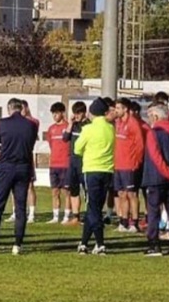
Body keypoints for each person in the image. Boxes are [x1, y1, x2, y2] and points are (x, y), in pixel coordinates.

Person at [0, 97, 39, 254]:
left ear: (10, 108)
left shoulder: (2, 123)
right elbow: (30, 144)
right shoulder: (31, 125)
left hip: (6, 167)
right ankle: (17, 244)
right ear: (21, 108)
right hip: (23, 167)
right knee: (20, 208)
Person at [141, 104, 169, 256]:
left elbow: (156, 156)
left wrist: (168, 174)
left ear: (156, 117)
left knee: (153, 211)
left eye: (150, 116)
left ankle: (154, 245)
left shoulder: (154, 133)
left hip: (156, 177)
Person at [74, 97, 116, 255]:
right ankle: (84, 243)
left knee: (92, 208)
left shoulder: (88, 129)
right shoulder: (111, 128)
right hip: (107, 170)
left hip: (91, 169)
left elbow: (77, 149)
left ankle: (100, 243)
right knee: (96, 207)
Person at [113, 97, 144, 233]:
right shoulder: (118, 123)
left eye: (118, 108)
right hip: (118, 165)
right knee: (121, 194)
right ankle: (123, 221)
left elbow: (140, 145)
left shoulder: (133, 123)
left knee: (132, 194)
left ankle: (134, 222)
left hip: (129, 165)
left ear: (125, 109)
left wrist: (135, 162)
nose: (116, 111)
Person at [62, 101, 88, 224]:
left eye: (79, 113)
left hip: (85, 162)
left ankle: (89, 214)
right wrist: (71, 123)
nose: (77, 115)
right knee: (73, 190)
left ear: (84, 112)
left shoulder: (88, 125)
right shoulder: (73, 125)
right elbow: (65, 138)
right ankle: (76, 215)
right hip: (73, 162)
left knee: (87, 190)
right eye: (75, 113)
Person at [46, 102, 70, 224]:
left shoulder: (68, 127)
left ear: (62, 113)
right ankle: (55, 216)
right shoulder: (51, 129)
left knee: (67, 192)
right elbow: (51, 144)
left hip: (65, 164)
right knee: (55, 191)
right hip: (53, 164)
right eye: (53, 113)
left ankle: (66, 216)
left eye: (57, 113)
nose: (55, 116)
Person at [20, 98, 39, 222]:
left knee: (29, 186)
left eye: (23, 108)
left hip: (27, 156)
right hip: (17, 157)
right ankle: (18, 211)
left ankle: (31, 213)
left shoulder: (33, 122)